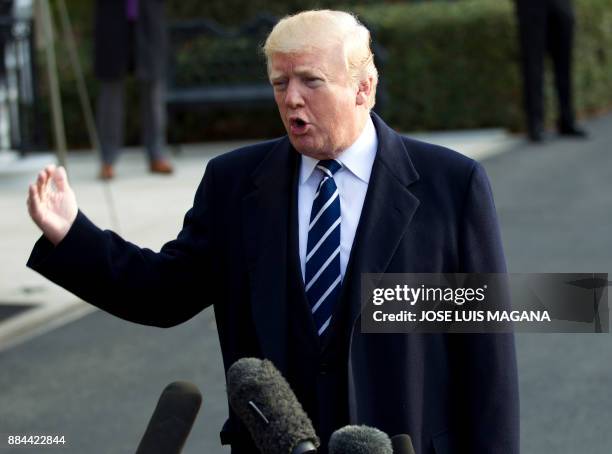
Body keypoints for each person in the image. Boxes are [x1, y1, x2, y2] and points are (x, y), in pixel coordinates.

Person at [26, 10, 519, 454]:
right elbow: (162, 293)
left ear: (363, 88)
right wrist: (70, 234)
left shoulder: (451, 185)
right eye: (280, 83)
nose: (292, 98)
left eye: (310, 81)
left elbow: (487, 355)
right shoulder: (234, 183)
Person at [94, 0, 172, 180]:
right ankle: (107, 160)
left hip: (149, 17)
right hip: (112, 19)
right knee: (110, 93)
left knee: (153, 93)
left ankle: (157, 155)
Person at [514, 0, 587, 142]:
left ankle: (567, 120)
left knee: (565, 61)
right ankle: (535, 125)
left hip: (561, 4)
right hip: (531, 5)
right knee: (533, 64)